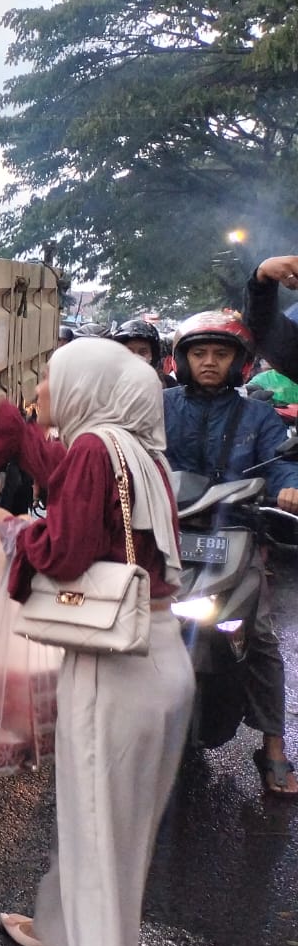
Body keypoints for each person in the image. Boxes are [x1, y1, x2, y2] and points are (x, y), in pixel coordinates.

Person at [0, 337, 193, 946]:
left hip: (113, 667)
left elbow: (63, 552)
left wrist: (11, 527)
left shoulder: (98, 450)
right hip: (159, 657)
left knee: (100, 849)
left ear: (88, 387)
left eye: (50, 379)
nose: (42, 390)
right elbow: (52, 464)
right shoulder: (133, 448)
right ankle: (63, 933)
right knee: (108, 832)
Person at [163, 310, 298, 796]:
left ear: (240, 363)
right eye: (199, 353)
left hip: (238, 534)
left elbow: (283, 466)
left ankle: (274, 747)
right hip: (165, 536)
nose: (209, 362)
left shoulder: (258, 416)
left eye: (220, 354)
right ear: (182, 358)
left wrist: (291, 488)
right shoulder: (159, 406)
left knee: (259, 635)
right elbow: (130, 452)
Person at [110, 318, 172, 386]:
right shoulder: (108, 384)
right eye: (129, 351)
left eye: (142, 352)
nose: (136, 357)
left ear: (152, 355)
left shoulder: (168, 384)